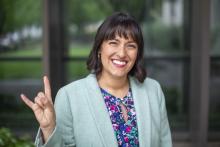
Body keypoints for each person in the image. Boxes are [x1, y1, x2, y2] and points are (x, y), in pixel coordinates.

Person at [21, 12, 172, 147]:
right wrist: (48, 130)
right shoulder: (69, 96)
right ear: (99, 48)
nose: (122, 53)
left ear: (137, 53)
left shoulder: (153, 90)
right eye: (114, 43)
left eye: (130, 46)